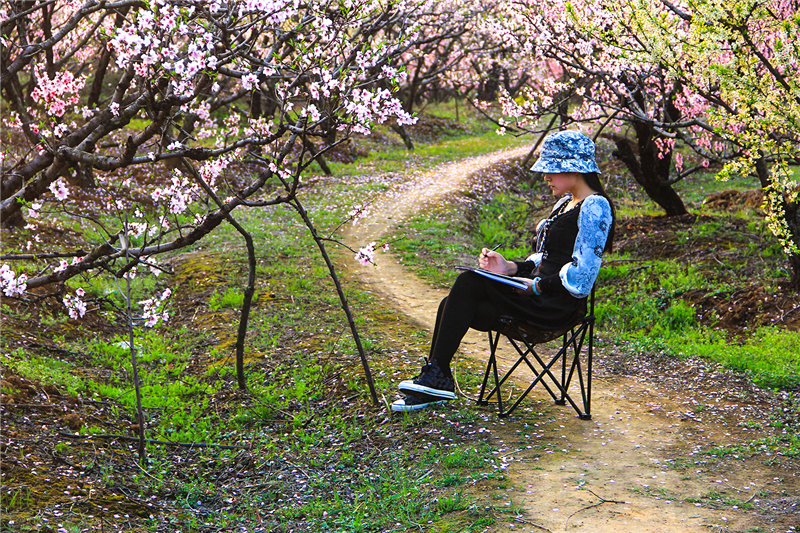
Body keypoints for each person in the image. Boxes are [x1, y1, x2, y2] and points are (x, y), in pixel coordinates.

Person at [392, 130, 615, 412]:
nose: (545, 176)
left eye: (551, 169)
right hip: (535, 295)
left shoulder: (596, 206)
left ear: (574, 168)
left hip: (554, 305)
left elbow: (583, 276)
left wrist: (536, 286)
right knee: (453, 303)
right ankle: (435, 380)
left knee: (468, 281)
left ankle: (437, 378)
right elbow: (547, 257)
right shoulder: (564, 203)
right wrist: (510, 267)